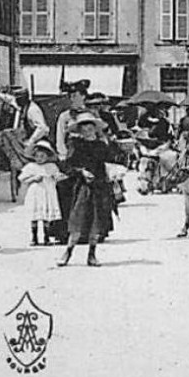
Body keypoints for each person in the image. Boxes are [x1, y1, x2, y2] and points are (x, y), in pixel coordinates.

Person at [57, 114, 120, 267]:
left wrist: (110, 145)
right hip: (83, 187)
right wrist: (81, 172)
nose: (88, 131)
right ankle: (68, 252)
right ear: (80, 130)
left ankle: (92, 254)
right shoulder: (76, 145)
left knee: (96, 222)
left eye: (90, 128)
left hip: (100, 186)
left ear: (95, 129)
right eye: (84, 129)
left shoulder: (101, 145)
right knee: (78, 220)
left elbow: (113, 160)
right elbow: (67, 166)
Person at [0, 87, 49, 192]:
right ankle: (15, 161)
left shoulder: (33, 110)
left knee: (7, 136)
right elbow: (10, 100)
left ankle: (19, 162)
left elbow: (42, 128)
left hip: (36, 140)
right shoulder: (21, 105)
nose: (16, 101)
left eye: (19, 99)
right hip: (25, 138)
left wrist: (31, 141)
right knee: (4, 135)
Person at [18, 140, 63, 246]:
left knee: (46, 216)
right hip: (36, 193)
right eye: (37, 156)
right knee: (35, 215)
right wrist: (33, 178)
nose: (39, 159)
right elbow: (22, 179)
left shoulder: (51, 166)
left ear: (47, 157)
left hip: (48, 193)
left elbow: (57, 176)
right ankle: (34, 237)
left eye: (42, 156)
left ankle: (46, 237)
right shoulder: (31, 166)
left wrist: (58, 177)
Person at [54, 80, 90, 161]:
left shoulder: (90, 113)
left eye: (74, 96)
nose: (72, 99)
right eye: (70, 96)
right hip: (72, 152)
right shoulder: (65, 116)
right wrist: (63, 155)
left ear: (83, 96)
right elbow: (60, 136)